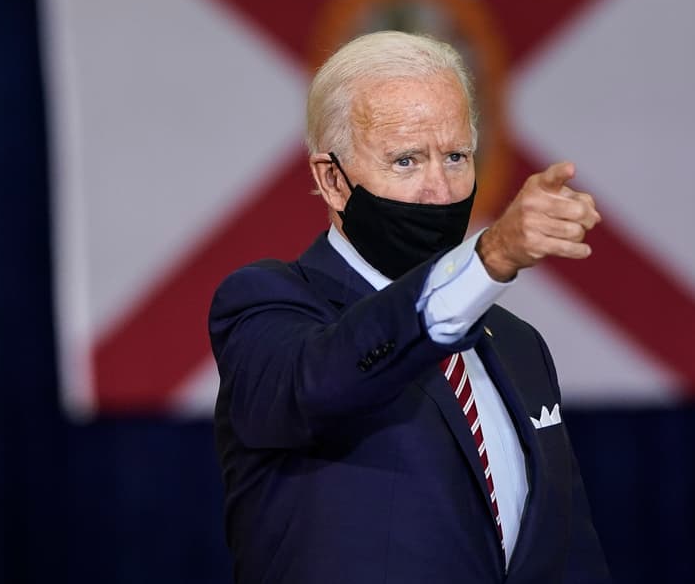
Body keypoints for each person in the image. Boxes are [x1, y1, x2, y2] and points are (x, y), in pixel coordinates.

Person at [209, 30, 612, 583]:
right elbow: (322, 380)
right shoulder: (268, 307)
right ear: (332, 180)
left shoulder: (519, 345)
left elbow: (568, 553)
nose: (440, 190)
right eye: (406, 161)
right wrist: (489, 257)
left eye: (456, 156)